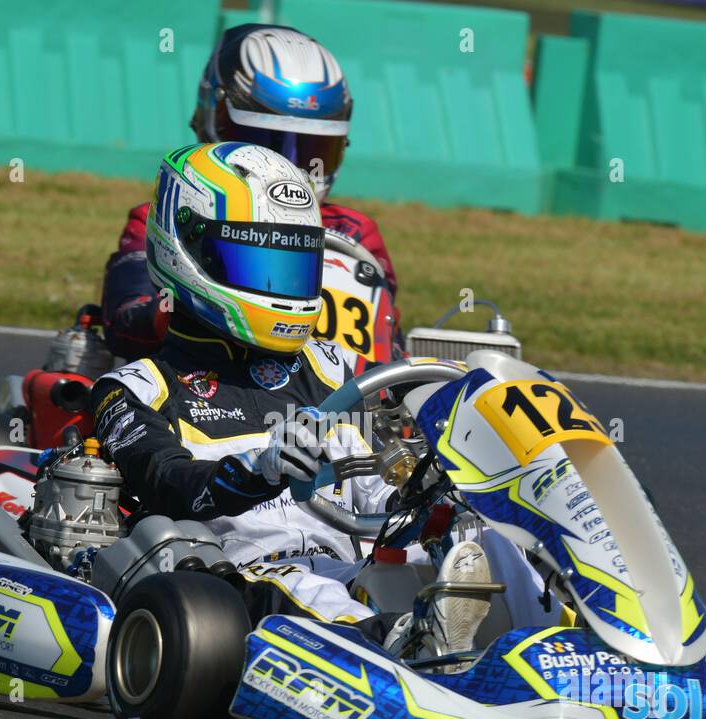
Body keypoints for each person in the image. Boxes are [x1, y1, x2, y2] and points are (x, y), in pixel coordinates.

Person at [90, 141, 486, 655]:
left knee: (487, 538)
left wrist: (433, 493)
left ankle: (564, 637)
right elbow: (170, 486)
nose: (278, 287)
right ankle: (403, 647)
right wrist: (258, 469)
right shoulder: (137, 389)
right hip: (231, 582)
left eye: (292, 265)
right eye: (257, 262)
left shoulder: (330, 369)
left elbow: (376, 494)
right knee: (303, 588)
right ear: (186, 250)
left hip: (349, 569)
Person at [94, 23, 402, 363]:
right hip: (202, 394)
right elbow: (125, 323)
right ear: (215, 121)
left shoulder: (355, 231)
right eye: (264, 143)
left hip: (334, 405)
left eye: (311, 148)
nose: (288, 166)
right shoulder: (170, 215)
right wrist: (198, 303)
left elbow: (389, 348)